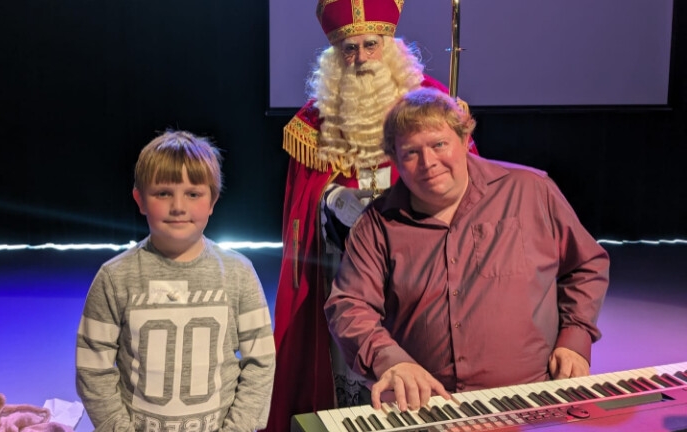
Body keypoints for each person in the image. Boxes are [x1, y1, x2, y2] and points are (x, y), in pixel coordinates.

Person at [324, 87, 610, 413]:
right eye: (411, 153)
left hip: (531, 406)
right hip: (427, 410)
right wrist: (389, 360)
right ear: (396, 160)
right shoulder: (376, 223)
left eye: (439, 144)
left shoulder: (531, 191)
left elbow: (586, 266)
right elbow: (348, 305)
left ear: (463, 138)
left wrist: (575, 338)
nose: (428, 163)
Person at [267, 0, 479, 429]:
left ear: (390, 44)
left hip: (422, 268)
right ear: (335, 55)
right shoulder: (313, 122)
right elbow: (303, 208)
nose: (361, 58)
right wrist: (331, 204)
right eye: (349, 49)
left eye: (370, 45)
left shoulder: (435, 106)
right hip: (344, 268)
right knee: (352, 371)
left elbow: (469, 189)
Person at [75, 130, 276, 432]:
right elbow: (93, 370)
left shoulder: (239, 273)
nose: (178, 206)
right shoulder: (114, 277)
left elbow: (260, 362)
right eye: (163, 193)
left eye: (193, 194)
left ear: (212, 201)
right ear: (140, 200)